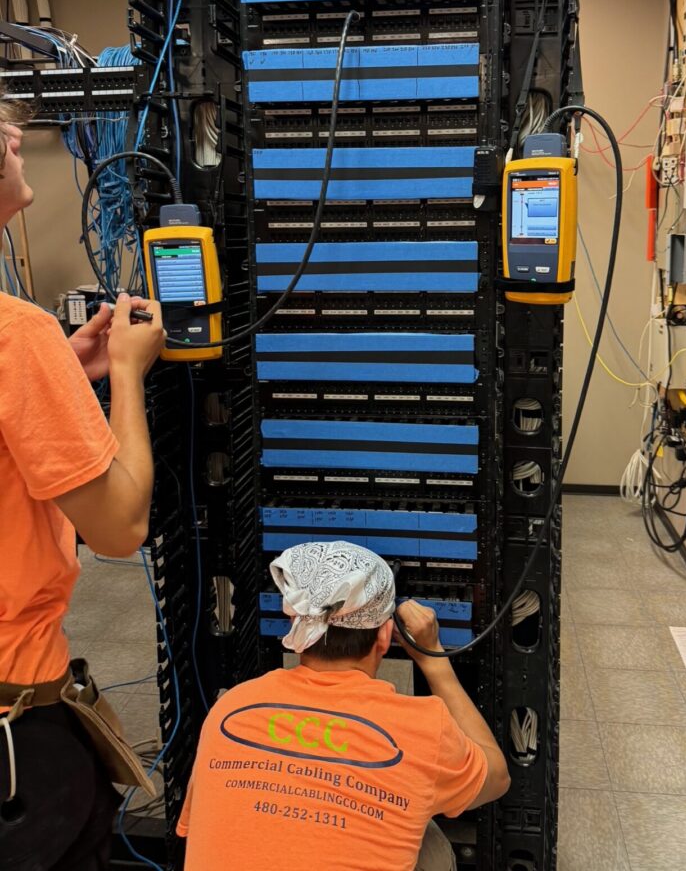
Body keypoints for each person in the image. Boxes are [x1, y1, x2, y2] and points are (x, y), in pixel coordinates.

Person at [0, 99, 166, 869]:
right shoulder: (13, 335)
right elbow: (119, 526)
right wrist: (126, 376)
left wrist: (60, 375)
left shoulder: (26, 347)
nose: (15, 135)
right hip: (16, 721)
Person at [179, 540, 510, 871]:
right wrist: (433, 659)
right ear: (384, 637)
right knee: (432, 845)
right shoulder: (422, 730)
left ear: (299, 623)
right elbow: (496, 778)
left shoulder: (230, 708)